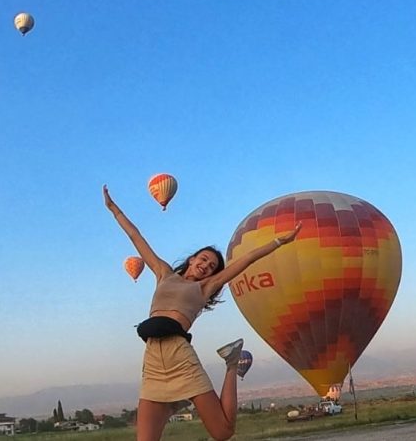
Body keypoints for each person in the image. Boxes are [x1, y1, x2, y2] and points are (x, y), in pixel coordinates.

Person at [103, 185, 301, 441]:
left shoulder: (206, 287)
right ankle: (175, 403)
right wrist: (113, 209)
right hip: (152, 360)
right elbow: (136, 237)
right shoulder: (164, 273)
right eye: (203, 259)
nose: (206, 266)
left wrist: (278, 241)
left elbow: (247, 260)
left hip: (180, 357)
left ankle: (232, 364)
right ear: (192, 258)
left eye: (211, 266)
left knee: (222, 432)